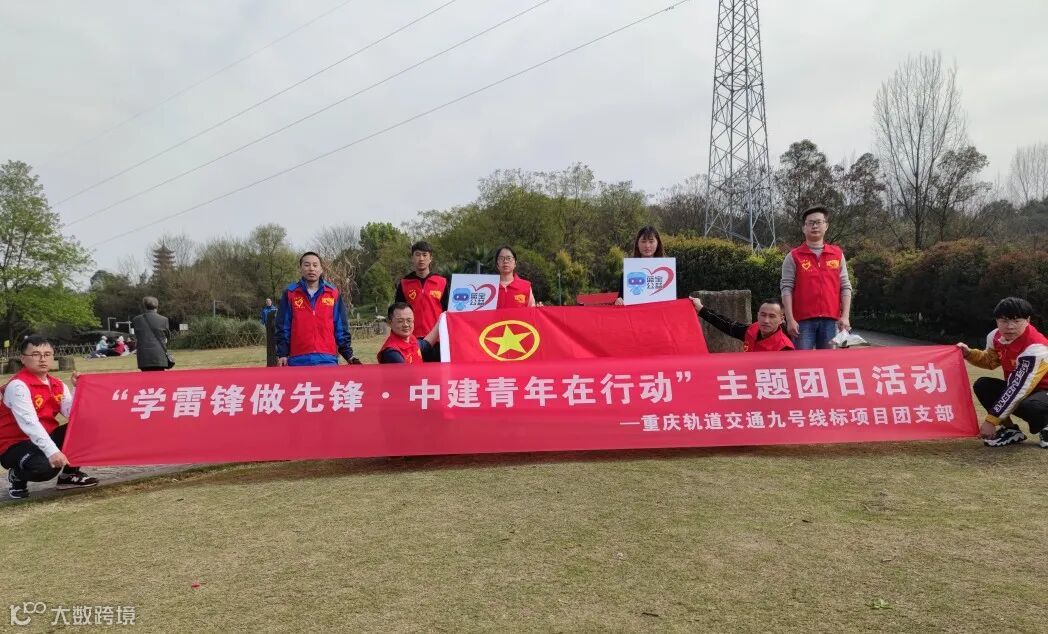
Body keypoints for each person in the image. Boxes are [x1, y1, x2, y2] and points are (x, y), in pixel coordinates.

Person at [0, 335, 99, 499]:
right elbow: (30, 424)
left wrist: (78, 389)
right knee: (45, 468)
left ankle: (69, 475)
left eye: (47, 354)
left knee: (87, 426)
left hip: (45, 435)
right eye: (36, 354)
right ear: (23, 359)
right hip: (14, 444)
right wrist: (53, 452)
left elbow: (72, 414)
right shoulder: (18, 386)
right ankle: (17, 475)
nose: (42, 359)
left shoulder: (57, 384)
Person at [956, 297, 1048, 448]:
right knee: (983, 385)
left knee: (1032, 405)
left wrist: (991, 421)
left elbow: (1018, 388)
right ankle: (1010, 430)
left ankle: (1046, 426)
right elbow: (990, 361)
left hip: (1042, 391)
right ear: (997, 320)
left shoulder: (1036, 347)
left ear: (1028, 320)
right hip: (1025, 389)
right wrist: (969, 354)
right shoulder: (995, 336)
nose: (1010, 326)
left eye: (1017, 321)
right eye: (1004, 321)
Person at [780, 206, 853, 349]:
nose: (814, 226)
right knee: (801, 361)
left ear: (826, 226)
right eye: (810, 223)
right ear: (804, 228)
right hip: (802, 322)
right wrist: (790, 319)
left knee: (827, 361)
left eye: (819, 222)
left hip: (831, 321)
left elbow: (845, 286)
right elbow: (786, 289)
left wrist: (845, 316)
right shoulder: (793, 256)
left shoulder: (837, 254)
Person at [276, 251, 356, 366]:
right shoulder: (290, 293)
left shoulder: (332, 293)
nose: (311, 269)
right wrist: (282, 353)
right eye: (307, 265)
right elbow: (283, 326)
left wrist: (348, 354)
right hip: (298, 359)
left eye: (315, 265)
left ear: (321, 269)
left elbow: (340, 327)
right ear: (300, 269)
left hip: (327, 359)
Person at [394, 241, 448, 361]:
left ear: (430, 258)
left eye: (424, 255)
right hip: (413, 340)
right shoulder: (404, 283)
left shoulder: (442, 282)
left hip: (438, 340)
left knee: (438, 372)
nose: (421, 258)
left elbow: (448, 312)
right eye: (417, 255)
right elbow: (398, 313)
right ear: (412, 258)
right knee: (414, 372)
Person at [691, 296, 795, 352]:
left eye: (772, 316)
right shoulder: (752, 330)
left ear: (781, 319)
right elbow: (728, 325)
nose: (766, 320)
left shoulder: (784, 348)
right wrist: (701, 310)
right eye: (763, 315)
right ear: (758, 315)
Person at [615, 226, 666, 305]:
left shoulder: (667, 269)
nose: (647, 246)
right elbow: (621, 297)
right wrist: (619, 301)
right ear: (637, 244)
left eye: (651, 241)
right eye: (643, 241)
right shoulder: (628, 270)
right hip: (636, 312)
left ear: (658, 243)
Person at [132, 296, 172, 372]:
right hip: (159, 355)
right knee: (160, 377)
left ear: (144, 306)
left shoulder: (136, 320)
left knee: (145, 378)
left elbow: (137, 336)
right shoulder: (164, 319)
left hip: (144, 356)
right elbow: (168, 337)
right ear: (157, 306)